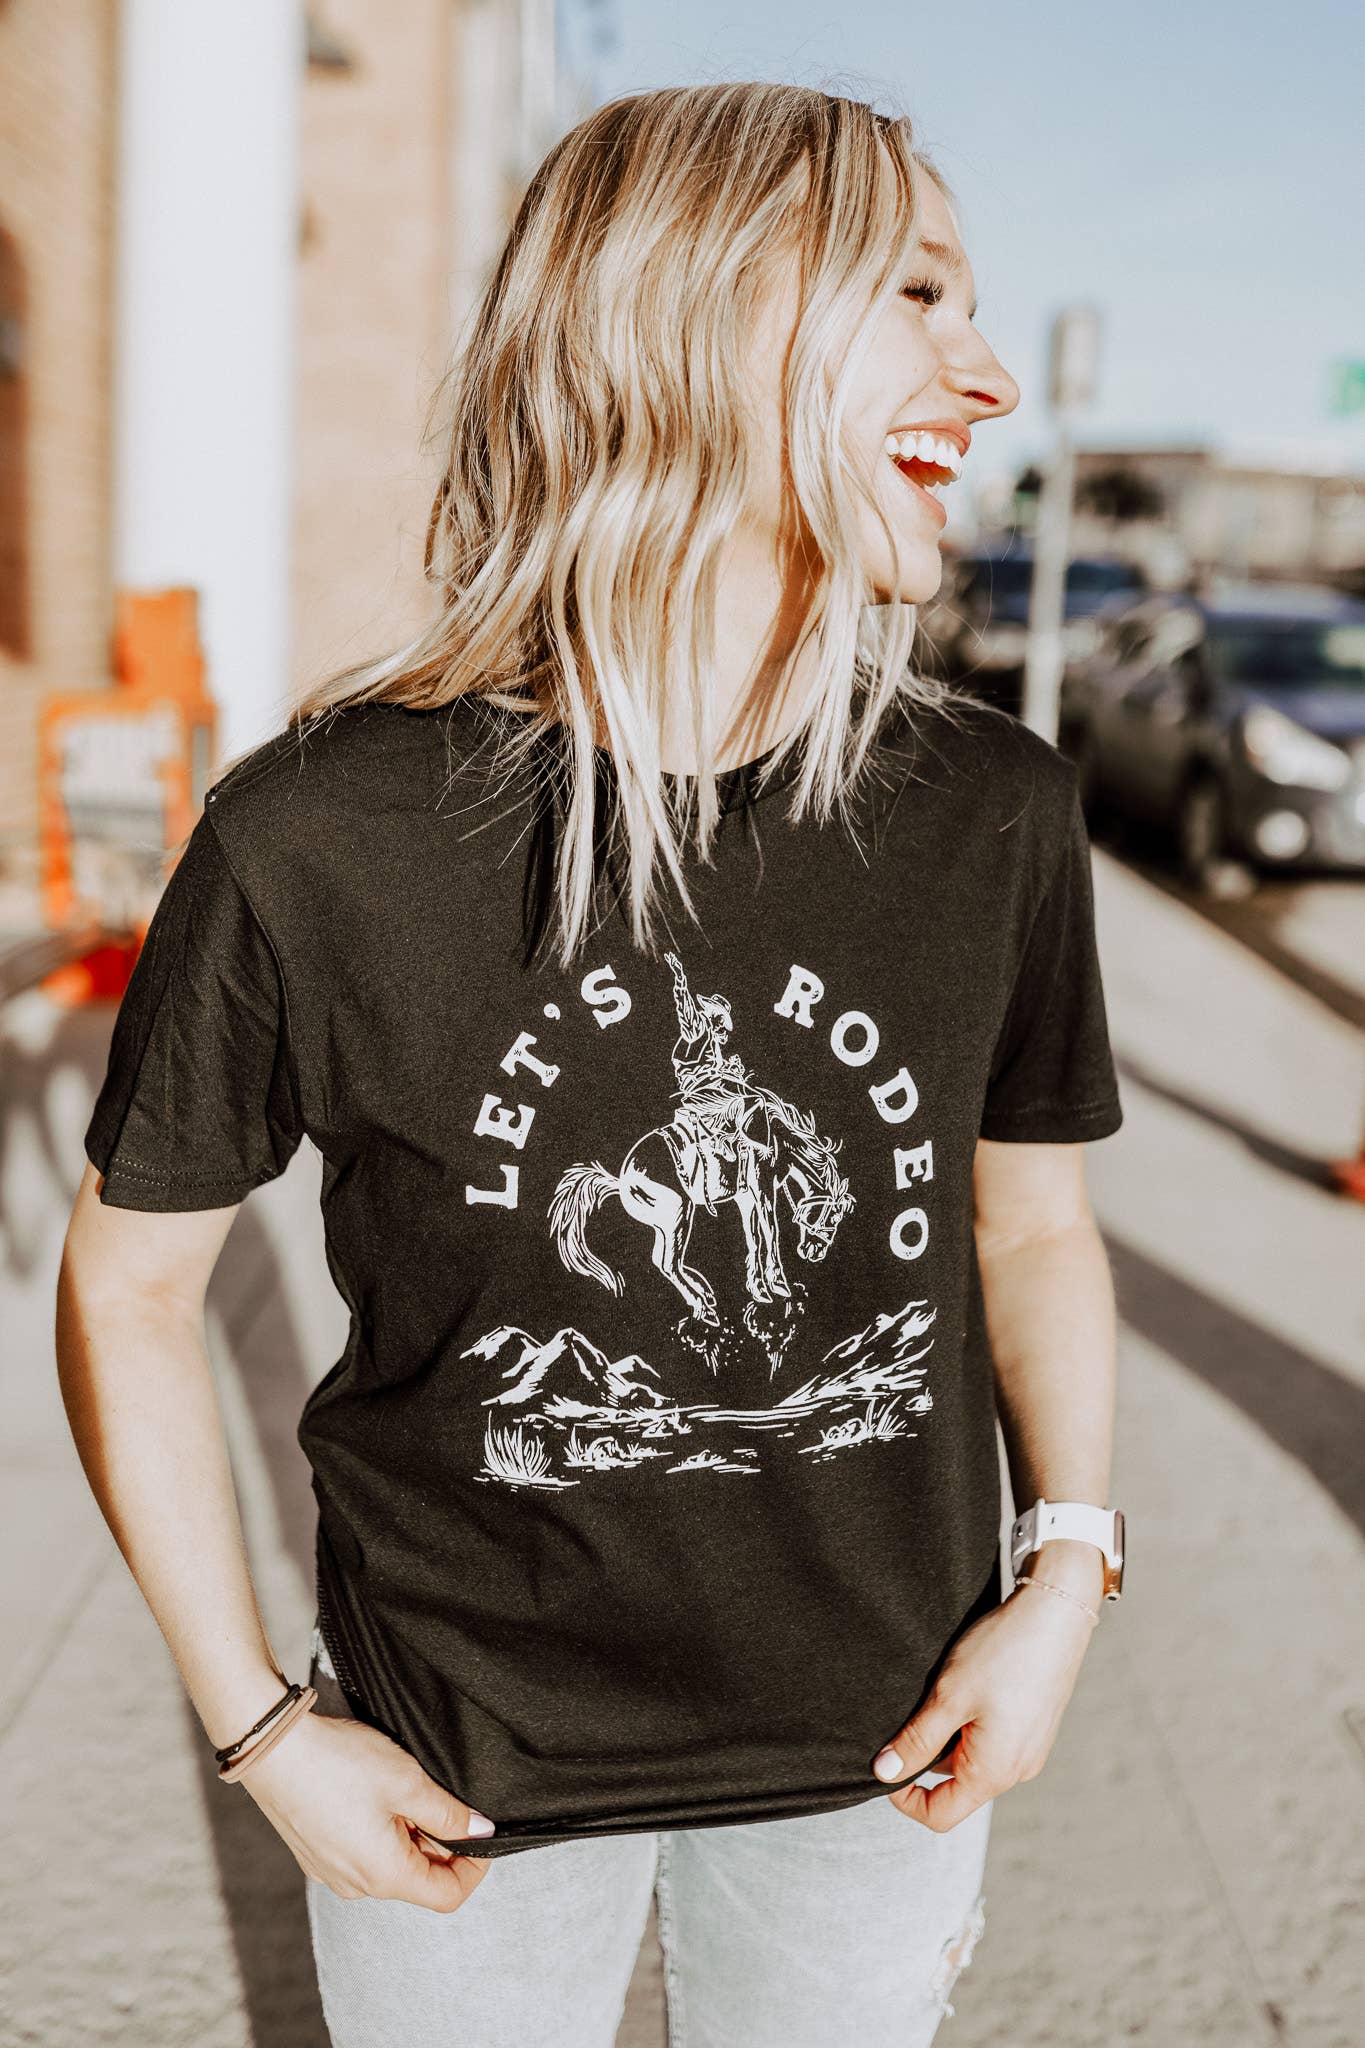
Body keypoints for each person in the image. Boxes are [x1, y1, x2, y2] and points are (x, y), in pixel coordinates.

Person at [57, 82, 1128, 2048]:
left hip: (884, 1752)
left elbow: (1032, 1227)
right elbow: (129, 1289)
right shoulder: (322, 833)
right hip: (459, 1768)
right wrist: (261, 1730)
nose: (982, 377)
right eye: (914, 293)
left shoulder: (990, 811)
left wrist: (1062, 1568)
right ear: (695, 317)